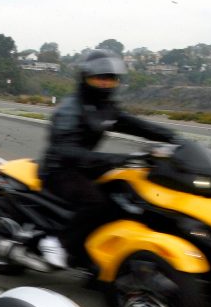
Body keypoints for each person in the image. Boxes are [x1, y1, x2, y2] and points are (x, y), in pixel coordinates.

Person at [38, 48, 180, 269]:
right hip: (60, 170)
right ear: (85, 79)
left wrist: (173, 137)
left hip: (87, 167)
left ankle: (95, 249)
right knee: (94, 201)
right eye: (99, 78)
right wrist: (116, 158)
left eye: (111, 79)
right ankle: (57, 242)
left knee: (125, 195)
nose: (105, 83)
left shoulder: (105, 107)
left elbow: (134, 124)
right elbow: (66, 151)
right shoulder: (70, 109)